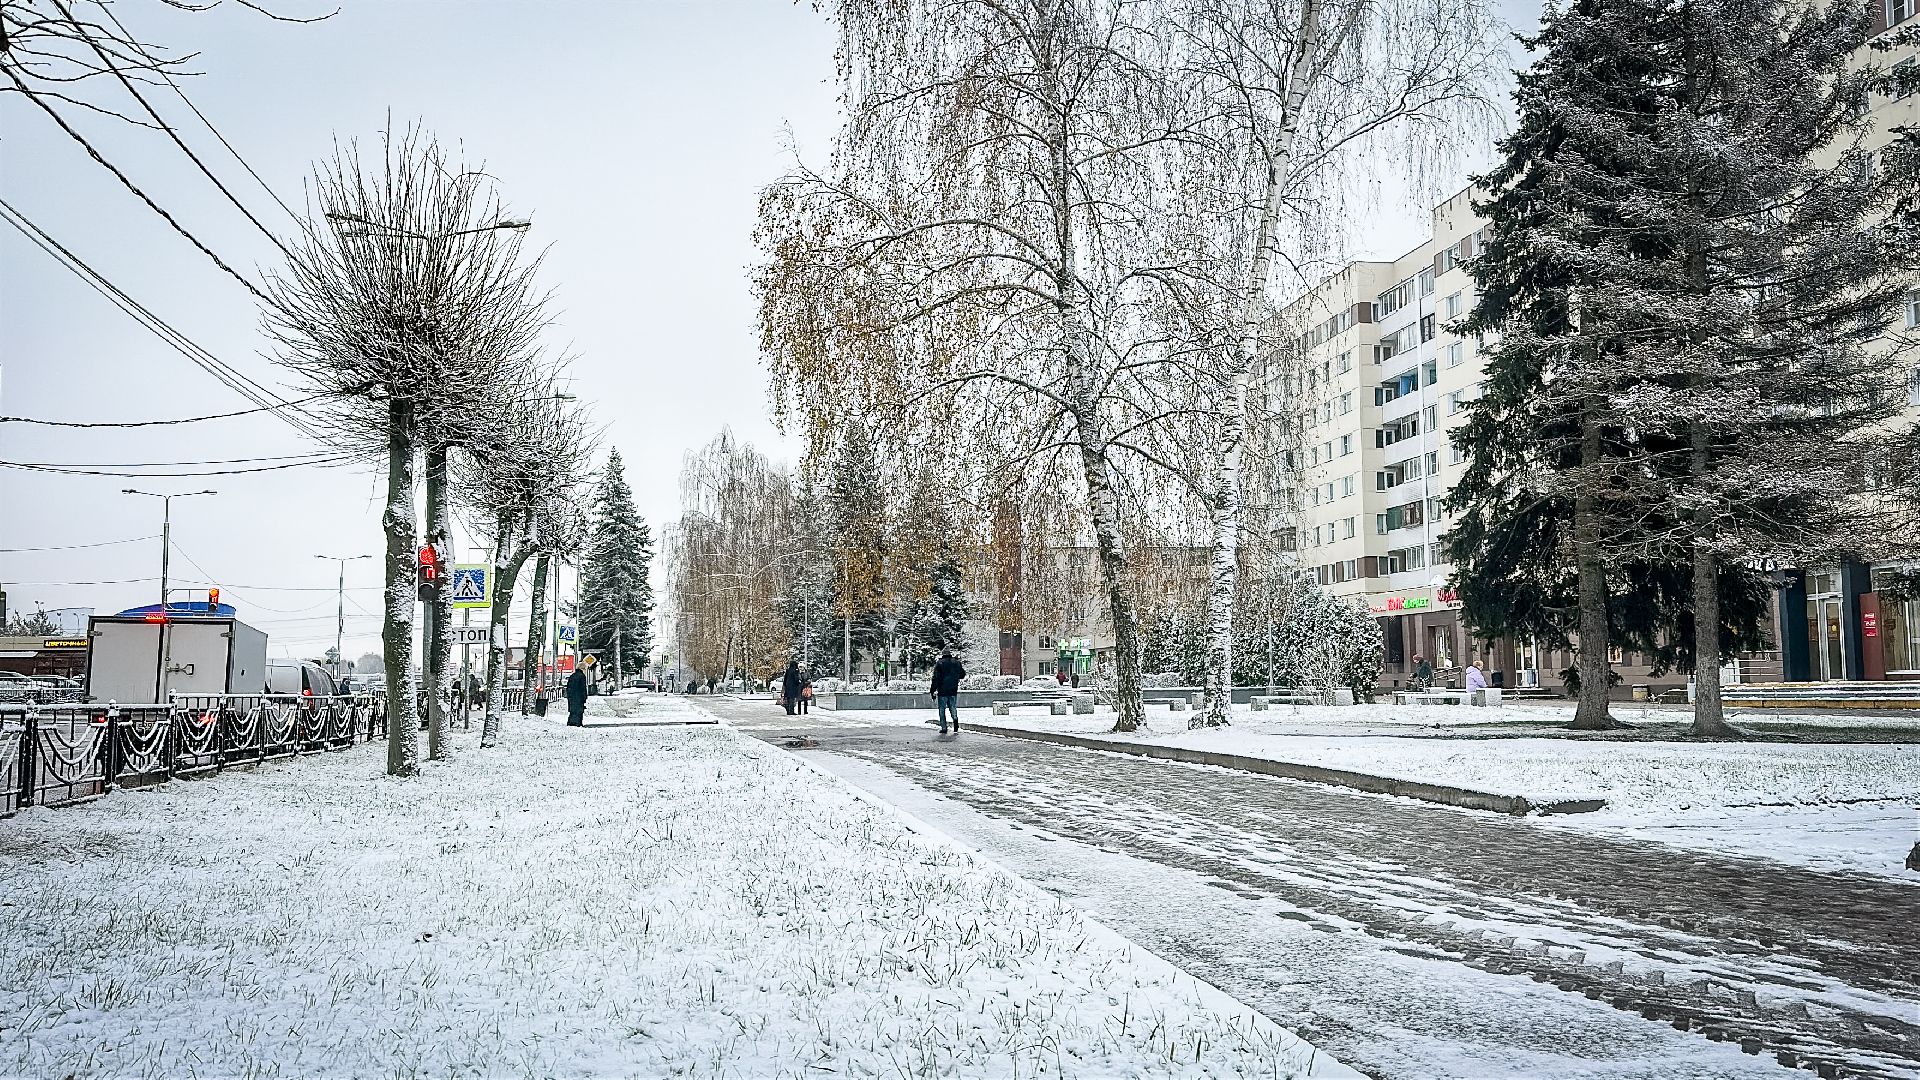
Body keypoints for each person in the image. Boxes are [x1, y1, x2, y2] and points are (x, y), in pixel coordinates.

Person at [930, 649, 966, 735]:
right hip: (953, 689)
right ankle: (955, 720)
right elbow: (962, 674)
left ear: (943, 654)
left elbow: (936, 677)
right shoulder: (957, 663)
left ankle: (944, 727)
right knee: (952, 707)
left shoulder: (940, 663)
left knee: (942, 709)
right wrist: (954, 678)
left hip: (942, 690)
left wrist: (932, 689)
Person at [564, 662, 589, 727]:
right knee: (579, 711)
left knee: (573, 710)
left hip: (572, 696)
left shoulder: (572, 676)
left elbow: (568, 687)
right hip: (579, 696)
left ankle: (571, 722)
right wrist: (584, 697)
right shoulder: (582, 676)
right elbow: (583, 687)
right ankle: (577, 723)